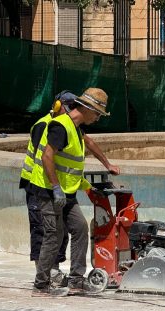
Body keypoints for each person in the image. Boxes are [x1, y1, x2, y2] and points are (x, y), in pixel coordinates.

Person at [28, 87, 120, 296]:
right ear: (87, 108)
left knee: (80, 228)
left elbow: (72, 166)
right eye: (97, 113)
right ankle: (41, 285)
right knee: (53, 236)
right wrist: (55, 188)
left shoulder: (75, 128)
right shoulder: (60, 126)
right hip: (48, 190)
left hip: (66, 192)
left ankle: (76, 281)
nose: (98, 118)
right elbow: (47, 157)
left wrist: (90, 185)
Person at [19, 91, 76, 286]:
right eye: (70, 107)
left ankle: (54, 269)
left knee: (60, 230)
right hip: (37, 185)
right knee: (41, 229)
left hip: (51, 185)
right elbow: (45, 157)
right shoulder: (43, 125)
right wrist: (54, 185)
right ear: (60, 106)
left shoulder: (64, 127)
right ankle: (43, 271)